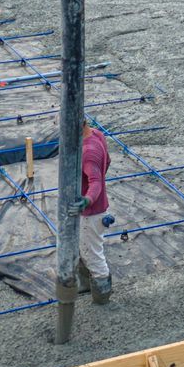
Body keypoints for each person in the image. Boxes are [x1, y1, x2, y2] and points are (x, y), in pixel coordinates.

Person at [77, 124, 114, 304]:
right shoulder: (97, 134)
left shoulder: (88, 152)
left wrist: (86, 200)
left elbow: (96, 182)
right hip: (95, 210)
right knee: (82, 249)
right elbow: (108, 161)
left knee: (93, 255)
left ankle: (102, 298)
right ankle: (85, 285)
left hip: (90, 214)